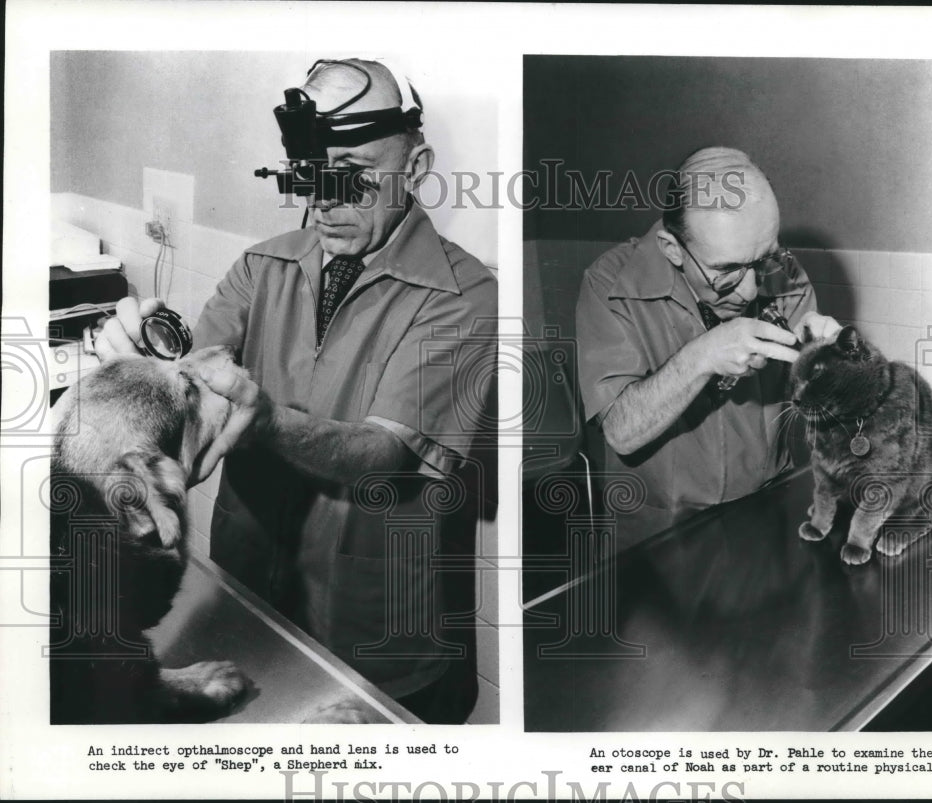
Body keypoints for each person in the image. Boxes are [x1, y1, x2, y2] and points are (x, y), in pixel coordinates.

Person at [96, 58, 497, 724]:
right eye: (308, 178)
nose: (323, 204)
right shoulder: (262, 266)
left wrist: (265, 423)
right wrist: (141, 381)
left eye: (350, 179)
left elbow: (380, 454)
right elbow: (191, 404)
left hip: (377, 646)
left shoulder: (467, 295)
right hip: (251, 602)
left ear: (416, 165)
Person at [576, 147, 839, 533]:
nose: (750, 291)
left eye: (762, 259)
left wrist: (831, 361)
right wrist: (703, 356)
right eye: (726, 272)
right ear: (672, 249)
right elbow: (621, 433)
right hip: (660, 531)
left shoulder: (783, 273)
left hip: (765, 511)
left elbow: (824, 407)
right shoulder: (607, 285)